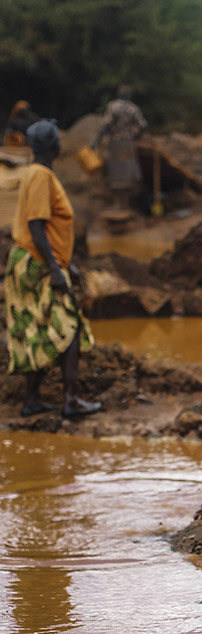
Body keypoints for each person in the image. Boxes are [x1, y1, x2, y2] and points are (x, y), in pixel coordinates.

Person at [4, 120, 101, 418]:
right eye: (58, 138)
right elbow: (36, 227)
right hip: (35, 263)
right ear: (52, 146)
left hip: (37, 260)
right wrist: (56, 269)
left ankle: (32, 400)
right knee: (69, 325)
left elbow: (46, 227)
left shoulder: (39, 174)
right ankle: (70, 399)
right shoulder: (41, 175)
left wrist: (66, 264)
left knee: (40, 328)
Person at [91, 85, 148, 209]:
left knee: (116, 172)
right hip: (128, 142)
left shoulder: (113, 106)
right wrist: (135, 135)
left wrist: (96, 140)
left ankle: (117, 204)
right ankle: (125, 204)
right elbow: (143, 125)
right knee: (126, 172)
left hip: (116, 142)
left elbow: (106, 124)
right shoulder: (134, 109)